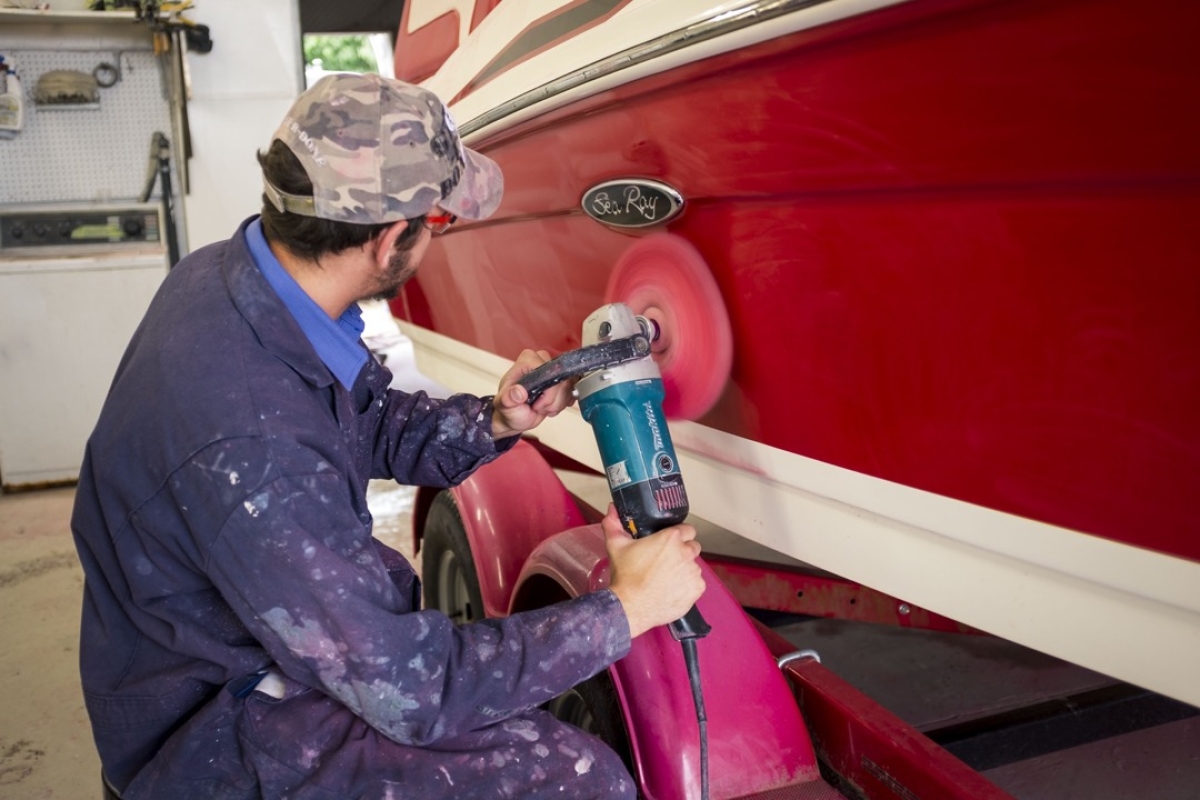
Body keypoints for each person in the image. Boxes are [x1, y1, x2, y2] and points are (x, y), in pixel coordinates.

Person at [71, 73, 705, 800]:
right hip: (209, 732)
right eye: (440, 222)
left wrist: (495, 418)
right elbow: (411, 689)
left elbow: (359, 419)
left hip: (234, 646)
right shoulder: (253, 452)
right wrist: (625, 610)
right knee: (575, 779)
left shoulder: (233, 281)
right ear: (391, 239)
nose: (438, 237)